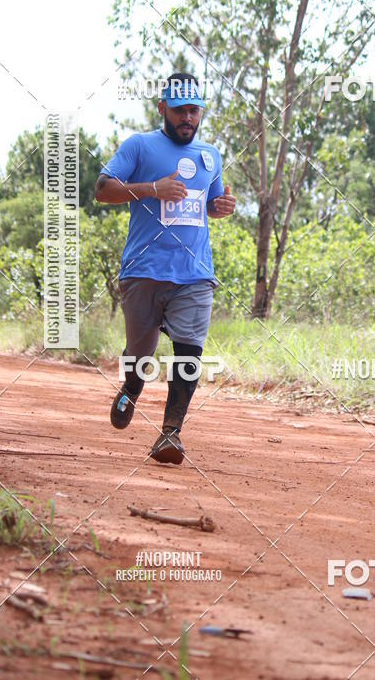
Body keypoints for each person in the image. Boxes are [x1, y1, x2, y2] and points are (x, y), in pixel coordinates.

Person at [94, 72, 236, 464]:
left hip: (194, 272)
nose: (188, 117)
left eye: (194, 110)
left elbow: (206, 204)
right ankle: (132, 385)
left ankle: (170, 433)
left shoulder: (210, 155)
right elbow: (102, 190)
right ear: (162, 109)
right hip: (143, 270)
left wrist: (218, 208)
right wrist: (152, 188)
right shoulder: (139, 146)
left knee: (189, 351)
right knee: (141, 353)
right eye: (179, 111)